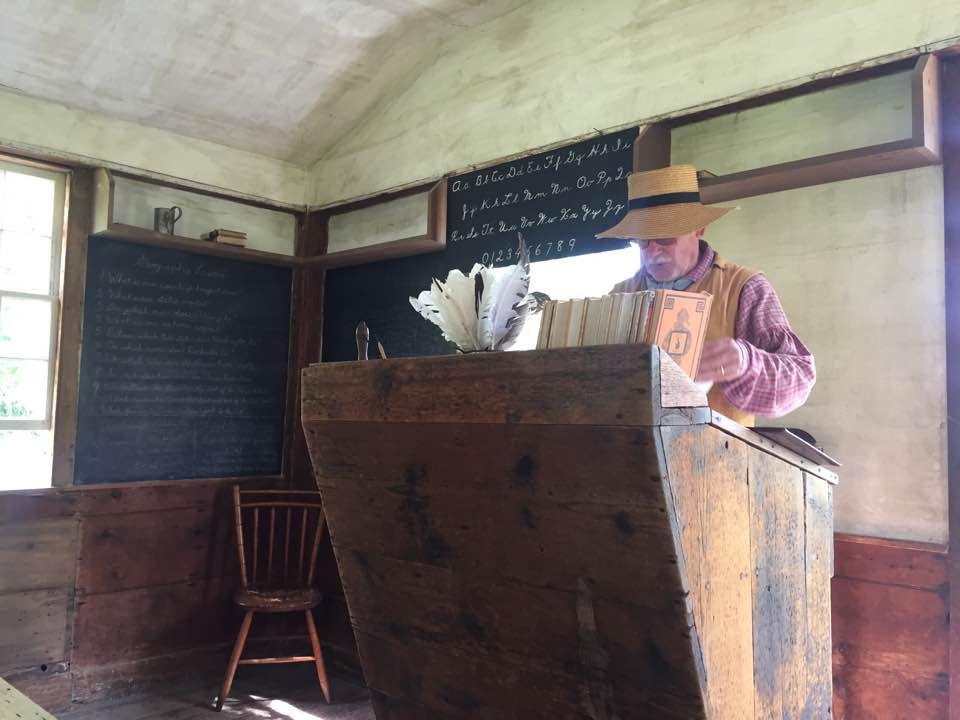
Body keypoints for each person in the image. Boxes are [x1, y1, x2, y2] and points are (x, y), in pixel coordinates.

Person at [596, 164, 814, 426]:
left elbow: (800, 378)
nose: (652, 251)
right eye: (642, 241)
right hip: (631, 448)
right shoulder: (619, 296)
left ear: (699, 229)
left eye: (664, 238)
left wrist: (746, 362)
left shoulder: (744, 287)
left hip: (715, 458)